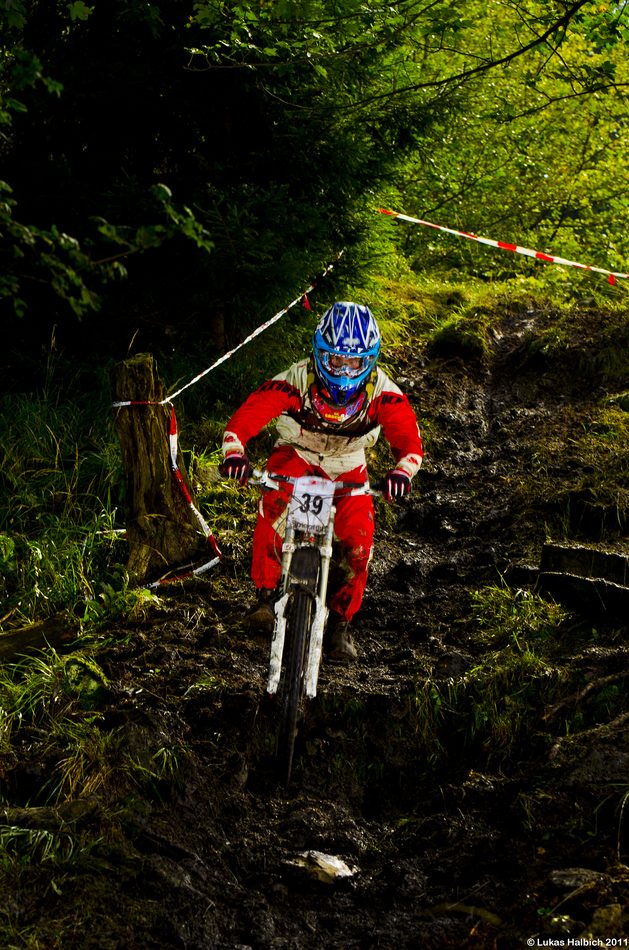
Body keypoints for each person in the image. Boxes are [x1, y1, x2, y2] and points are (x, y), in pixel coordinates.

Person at [219, 301, 423, 661]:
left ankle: (340, 624)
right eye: (335, 359)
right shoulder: (294, 380)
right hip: (298, 452)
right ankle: (266, 597)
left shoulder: (384, 393)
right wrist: (235, 453)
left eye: (354, 363)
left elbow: (409, 442)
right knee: (273, 507)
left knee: (359, 539)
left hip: (348, 463)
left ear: (370, 360)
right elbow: (247, 417)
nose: (344, 370)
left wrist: (401, 473)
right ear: (318, 353)